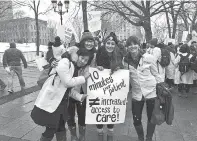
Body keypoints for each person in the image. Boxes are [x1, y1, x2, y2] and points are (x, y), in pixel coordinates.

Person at [31, 48, 92, 141]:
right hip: (53, 101)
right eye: (81, 57)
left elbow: (68, 90)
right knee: (51, 128)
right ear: (74, 54)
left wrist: (79, 96)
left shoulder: (73, 68)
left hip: (62, 103)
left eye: (85, 60)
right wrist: (83, 78)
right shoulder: (65, 62)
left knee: (60, 127)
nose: (83, 61)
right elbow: (67, 83)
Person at [123, 36, 163, 141]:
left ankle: (149, 138)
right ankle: (140, 137)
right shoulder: (125, 61)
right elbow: (124, 77)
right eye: (130, 44)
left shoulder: (148, 57)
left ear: (139, 45)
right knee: (136, 119)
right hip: (136, 93)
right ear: (127, 47)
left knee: (151, 118)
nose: (132, 46)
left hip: (151, 92)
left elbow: (157, 74)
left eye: (134, 43)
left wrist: (160, 88)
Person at [95, 33, 125, 141]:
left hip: (113, 91)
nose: (110, 45)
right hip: (99, 90)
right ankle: (100, 136)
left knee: (110, 112)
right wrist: (97, 67)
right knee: (99, 112)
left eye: (112, 43)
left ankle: (110, 137)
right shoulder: (99, 52)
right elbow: (93, 66)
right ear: (105, 43)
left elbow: (123, 72)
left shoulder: (119, 55)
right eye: (108, 43)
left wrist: (119, 69)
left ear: (115, 45)